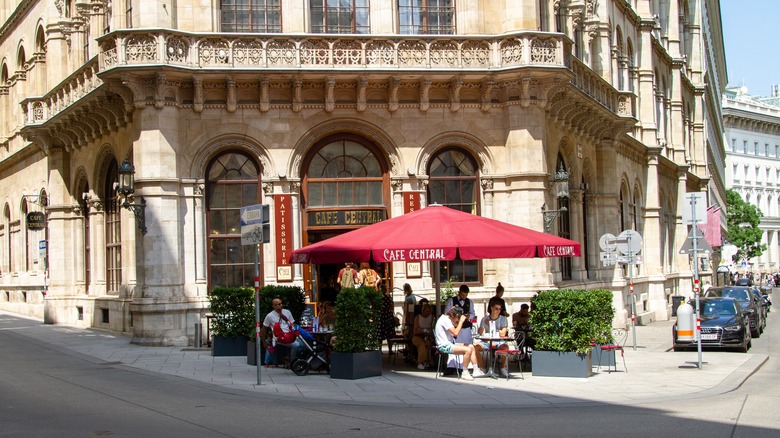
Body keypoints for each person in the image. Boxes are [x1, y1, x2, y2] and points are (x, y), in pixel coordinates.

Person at [434, 306, 485, 380]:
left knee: (471, 346)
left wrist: (458, 322)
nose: (457, 321)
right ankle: (465, 372)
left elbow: (455, 328)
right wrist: (460, 322)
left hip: (449, 343)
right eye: (458, 318)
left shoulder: (447, 319)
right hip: (444, 346)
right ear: (455, 316)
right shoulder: (445, 320)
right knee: (468, 350)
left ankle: (476, 369)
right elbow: (456, 333)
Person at [261, 298, 303, 366]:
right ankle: (292, 363)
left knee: (302, 344)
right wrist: (264, 342)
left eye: (281, 303)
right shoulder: (270, 316)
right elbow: (264, 329)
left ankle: (292, 359)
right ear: (274, 306)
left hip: (289, 335)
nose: (281, 305)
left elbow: (292, 324)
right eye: (279, 304)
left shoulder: (287, 312)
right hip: (279, 338)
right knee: (296, 345)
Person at [476, 301, 509, 376]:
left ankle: (503, 368)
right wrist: (483, 324)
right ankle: (482, 367)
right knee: (475, 348)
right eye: (496, 309)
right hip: (488, 341)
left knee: (505, 347)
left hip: (499, 341)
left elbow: (503, 333)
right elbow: (480, 333)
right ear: (491, 308)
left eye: (499, 309)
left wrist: (491, 324)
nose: (498, 311)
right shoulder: (485, 318)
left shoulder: (503, 319)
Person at [411, 302, 434, 369]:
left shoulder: (432, 317)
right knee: (422, 344)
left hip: (428, 336)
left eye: (429, 311)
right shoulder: (418, 317)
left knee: (429, 343)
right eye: (426, 311)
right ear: (423, 310)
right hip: (418, 336)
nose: (428, 313)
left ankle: (429, 361)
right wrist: (422, 331)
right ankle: (421, 362)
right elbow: (415, 330)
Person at [376, 287, 396, 355]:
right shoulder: (388, 298)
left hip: (382, 316)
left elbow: (376, 306)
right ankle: (390, 350)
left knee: (380, 334)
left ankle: (379, 350)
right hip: (388, 316)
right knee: (389, 333)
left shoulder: (379, 298)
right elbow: (392, 305)